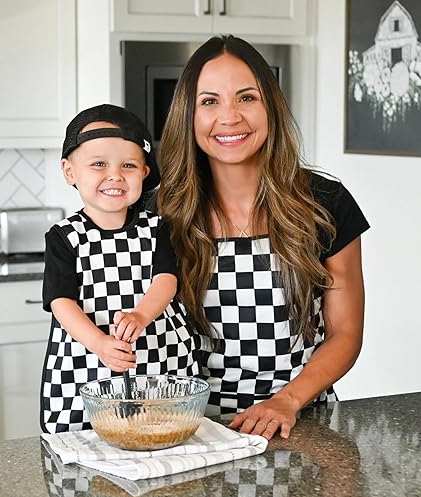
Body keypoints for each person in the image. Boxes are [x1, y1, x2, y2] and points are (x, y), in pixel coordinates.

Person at [156, 35, 370, 441]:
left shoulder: (325, 203)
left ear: (270, 105)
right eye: (209, 101)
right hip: (192, 433)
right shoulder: (160, 214)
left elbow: (345, 333)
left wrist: (286, 401)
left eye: (246, 98)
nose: (229, 117)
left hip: (303, 425)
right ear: (188, 115)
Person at [40, 104, 198, 434]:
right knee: (89, 443)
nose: (115, 175)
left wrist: (141, 316)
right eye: (99, 164)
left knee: (160, 434)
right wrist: (100, 344)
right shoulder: (64, 237)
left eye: (128, 165)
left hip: (158, 351)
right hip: (87, 357)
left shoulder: (157, 228)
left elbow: (166, 280)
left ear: (144, 173)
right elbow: (61, 302)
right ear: (69, 171)